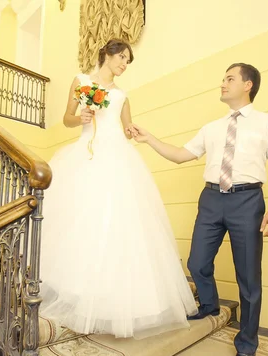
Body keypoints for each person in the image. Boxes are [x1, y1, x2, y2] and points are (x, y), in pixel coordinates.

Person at [131, 63, 268, 356]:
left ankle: (246, 346)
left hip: (248, 201)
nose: (222, 83)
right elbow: (180, 155)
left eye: (229, 78)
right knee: (196, 262)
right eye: (223, 79)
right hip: (212, 199)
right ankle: (209, 304)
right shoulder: (212, 128)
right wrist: (149, 138)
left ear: (248, 85)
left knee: (248, 279)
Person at [39, 39, 198, 339]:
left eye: (128, 60)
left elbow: (125, 127)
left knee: (117, 225)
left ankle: (109, 300)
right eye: (122, 57)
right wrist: (81, 118)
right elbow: (67, 118)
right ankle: (76, 291)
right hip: (88, 154)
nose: (125, 64)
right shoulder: (82, 81)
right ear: (107, 55)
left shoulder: (123, 95)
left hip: (118, 159)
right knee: (83, 222)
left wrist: (132, 131)